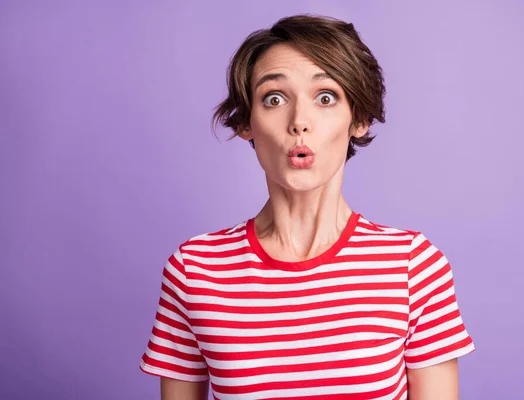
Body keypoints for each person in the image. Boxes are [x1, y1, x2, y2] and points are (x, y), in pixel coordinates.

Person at [139, 14, 474, 400]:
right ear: (248, 121)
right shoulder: (194, 270)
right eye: (274, 99)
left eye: (326, 97)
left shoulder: (413, 266)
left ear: (359, 118)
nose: (299, 122)